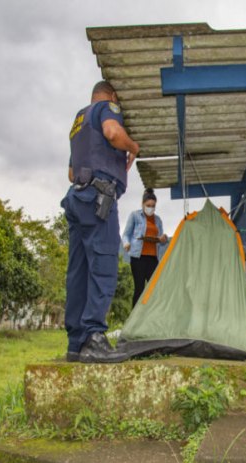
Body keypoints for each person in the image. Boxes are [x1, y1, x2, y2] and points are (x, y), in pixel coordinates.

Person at [61, 80, 140, 363]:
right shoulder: (107, 108)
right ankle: (94, 337)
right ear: (113, 96)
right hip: (99, 199)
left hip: (77, 198)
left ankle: (76, 344)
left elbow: (71, 173)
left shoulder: (78, 121)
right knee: (103, 267)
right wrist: (133, 147)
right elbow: (112, 132)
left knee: (78, 271)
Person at [122, 188, 168, 306]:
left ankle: (152, 318)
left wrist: (163, 239)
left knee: (155, 290)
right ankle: (135, 321)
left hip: (153, 259)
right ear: (143, 204)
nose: (150, 208)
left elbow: (161, 239)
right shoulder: (135, 216)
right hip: (138, 258)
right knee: (139, 289)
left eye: (153, 206)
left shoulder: (158, 220)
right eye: (148, 205)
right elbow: (126, 234)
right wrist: (126, 243)